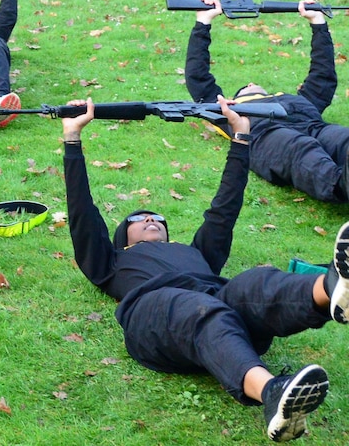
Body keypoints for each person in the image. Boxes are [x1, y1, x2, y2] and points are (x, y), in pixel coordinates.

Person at [62, 96, 349, 442]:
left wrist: (241, 137)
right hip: (154, 314)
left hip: (218, 299)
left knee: (253, 283)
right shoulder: (110, 261)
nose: (150, 218)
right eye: (139, 218)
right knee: (201, 311)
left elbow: (224, 209)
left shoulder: (198, 254)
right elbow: (82, 214)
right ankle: (272, 393)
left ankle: (334, 287)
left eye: (157, 218)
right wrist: (72, 139)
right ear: (124, 239)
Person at [186, 0, 349, 204]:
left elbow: (323, 76)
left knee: (343, 138)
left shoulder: (301, 100)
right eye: (246, 86)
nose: (252, 83)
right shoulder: (230, 112)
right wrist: (203, 22)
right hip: (267, 136)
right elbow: (198, 78)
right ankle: (341, 186)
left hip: (314, 126)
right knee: (301, 148)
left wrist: (318, 22)